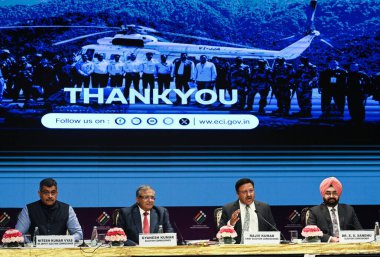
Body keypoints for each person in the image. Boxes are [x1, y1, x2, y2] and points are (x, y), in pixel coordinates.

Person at [15, 178, 83, 241]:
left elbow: (79, 234)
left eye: (53, 192)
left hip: (60, 250)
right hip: (35, 251)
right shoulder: (28, 209)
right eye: (46, 192)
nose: (50, 196)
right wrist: (30, 243)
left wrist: (62, 240)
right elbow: (18, 235)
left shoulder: (67, 209)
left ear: (57, 193)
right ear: (39, 193)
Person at [219, 178, 276, 244]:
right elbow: (220, 234)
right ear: (237, 194)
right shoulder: (228, 209)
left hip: (260, 249)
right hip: (237, 250)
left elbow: (273, 230)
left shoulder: (264, 208)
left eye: (251, 191)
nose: (249, 195)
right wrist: (231, 224)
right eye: (244, 192)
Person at [307, 177, 363, 243]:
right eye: (328, 193)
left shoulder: (348, 209)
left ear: (339, 194)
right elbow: (310, 233)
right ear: (323, 195)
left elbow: (360, 231)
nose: (331, 196)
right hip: (324, 249)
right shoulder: (315, 211)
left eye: (335, 193)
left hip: (346, 247)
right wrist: (330, 239)